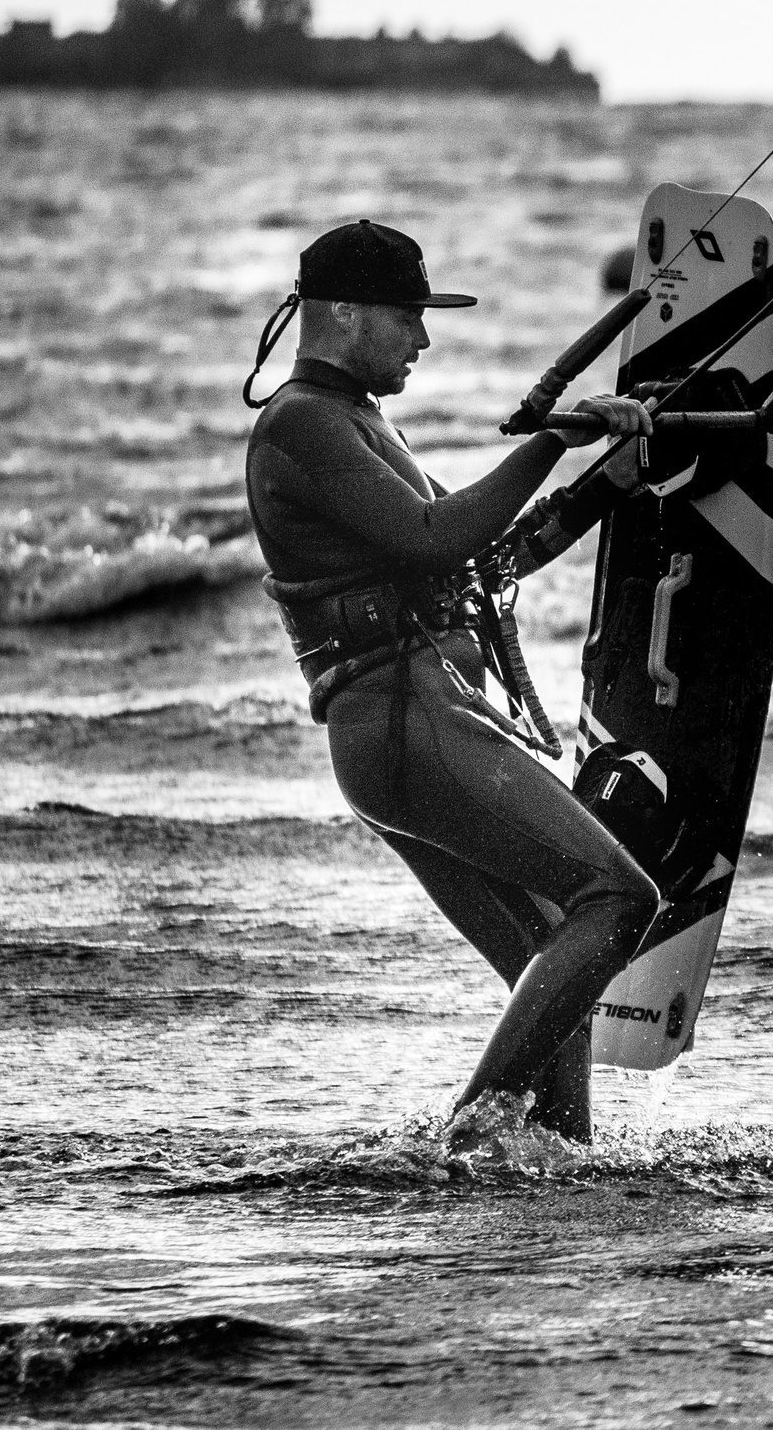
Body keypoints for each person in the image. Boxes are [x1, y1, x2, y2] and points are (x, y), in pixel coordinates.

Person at [242, 218, 656, 1144]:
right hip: (404, 719)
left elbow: (483, 558)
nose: (423, 340)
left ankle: (556, 1163)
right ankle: (469, 1141)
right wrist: (557, 436)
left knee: (557, 964)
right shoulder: (303, 424)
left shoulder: (357, 421)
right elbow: (441, 536)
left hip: (418, 721)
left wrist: (605, 482)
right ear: (342, 311)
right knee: (618, 899)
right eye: (410, 318)